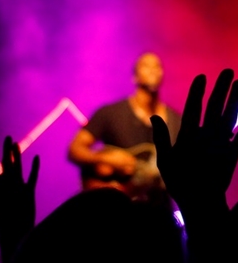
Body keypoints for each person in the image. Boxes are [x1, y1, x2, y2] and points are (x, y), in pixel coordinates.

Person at [68, 52, 181, 203]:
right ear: (135, 77)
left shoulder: (176, 121)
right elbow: (75, 149)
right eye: (146, 65)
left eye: (157, 66)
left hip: (157, 210)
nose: (153, 69)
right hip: (116, 206)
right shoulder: (110, 113)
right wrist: (108, 160)